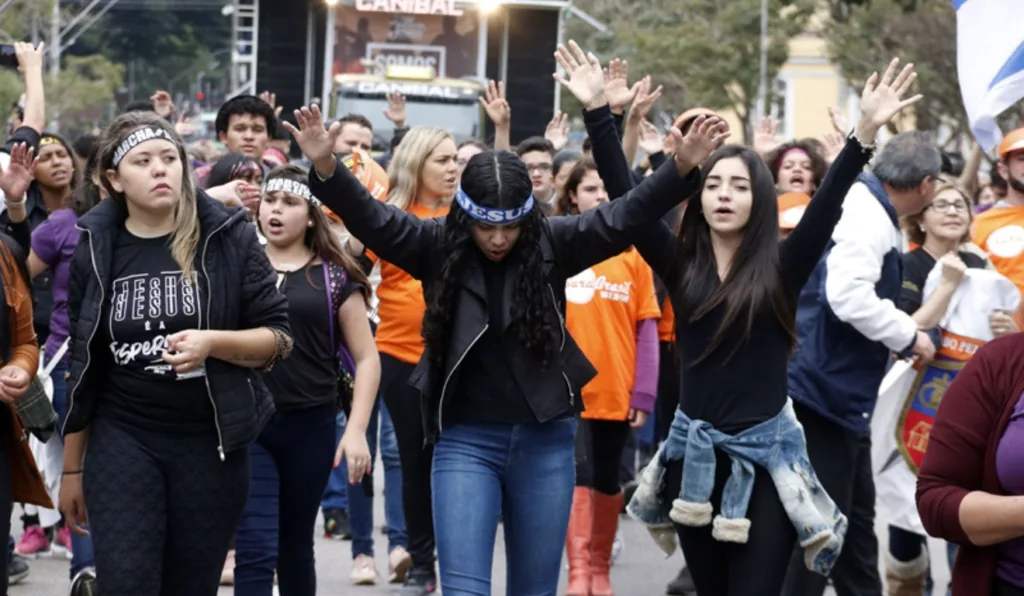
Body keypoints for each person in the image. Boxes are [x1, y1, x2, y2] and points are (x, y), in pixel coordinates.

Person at [283, 73, 724, 593]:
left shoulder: (558, 240)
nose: (496, 239)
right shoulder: (433, 243)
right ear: (463, 215)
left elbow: (627, 214)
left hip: (547, 441)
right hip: (465, 440)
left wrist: (682, 167)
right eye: (484, 226)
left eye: (509, 227)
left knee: (533, 590)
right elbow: (372, 218)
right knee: (465, 589)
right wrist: (325, 164)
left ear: (527, 220)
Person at [579, 53, 920, 594]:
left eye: (738, 186)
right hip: (694, 460)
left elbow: (827, 203)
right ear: (698, 195)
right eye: (713, 185)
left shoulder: (785, 267)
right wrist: (600, 113)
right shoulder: (677, 263)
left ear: (758, 198)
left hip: (769, 465)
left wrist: (866, 132)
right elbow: (630, 203)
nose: (723, 196)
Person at [58, 111, 293, 595]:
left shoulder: (229, 235)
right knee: (126, 583)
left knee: (190, 586)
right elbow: (85, 367)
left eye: (170, 158)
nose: (160, 169)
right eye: (143, 161)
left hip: (209, 444)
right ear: (113, 179)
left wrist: (214, 342)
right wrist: (72, 470)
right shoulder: (95, 245)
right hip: (124, 436)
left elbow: (278, 338)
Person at [783, 120, 943, 596]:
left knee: (852, 528)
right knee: (822, 530)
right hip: (825, 392)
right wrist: (908, 333)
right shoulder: (869, 214)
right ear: (927, 184)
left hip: (840, 395)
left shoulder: (870, 206)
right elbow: (846, 296)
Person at [232, 165, 379, 595]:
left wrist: (356, 433)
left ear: (312, 216)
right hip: (250, 423)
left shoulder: (335, 276)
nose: (276, 211)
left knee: (294, 548)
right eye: (270, 201)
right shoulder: (240, 263)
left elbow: (367, 359)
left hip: (311, 425)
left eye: (290, 203)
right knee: (255, 546)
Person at [557, 157, 661, 596]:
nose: (600, 196)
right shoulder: (560, 245)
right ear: (573, 197)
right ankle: (579, 571)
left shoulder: (634, 256)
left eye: (605, 189)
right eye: (590, 189)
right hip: (568, 393)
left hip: (617, 390)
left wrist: (644, 393)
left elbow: (648, 328)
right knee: (577, 478)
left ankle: (600, 570)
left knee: (607, 480)